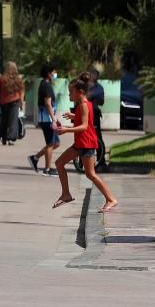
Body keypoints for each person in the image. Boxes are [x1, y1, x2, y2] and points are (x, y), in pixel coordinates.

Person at [51, 72, 118, 212]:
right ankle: (66, 194)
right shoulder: (84, 104)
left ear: (80, 92)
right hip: (80, 143)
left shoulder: (83, 105)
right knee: (59, 163)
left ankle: (111, 199)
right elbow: (84, 118)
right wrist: (74, 116)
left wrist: (66, 129)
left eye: (71, 92)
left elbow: (85, 126)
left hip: (86, 144)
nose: (69, 95)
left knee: (90, 174)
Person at [28, 65, 60, 176]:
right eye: (54, 72)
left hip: (47, 118)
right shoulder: (46, 86)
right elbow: (48, 103)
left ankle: (35, 158)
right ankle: (47, 169)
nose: (55, 74)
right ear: (49, 73)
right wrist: (53, 119)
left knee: (56, 143)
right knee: (51, 143)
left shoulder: (46, 85)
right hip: (46, 119)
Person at [0, 62, 25, 145]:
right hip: (15, 102)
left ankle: (3, 137)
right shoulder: (18, 79)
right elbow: (22, 91)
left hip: (3, 102)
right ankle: (11, 138)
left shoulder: (2, 78)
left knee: (4, 120)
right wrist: (21, 102)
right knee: (13, 121)